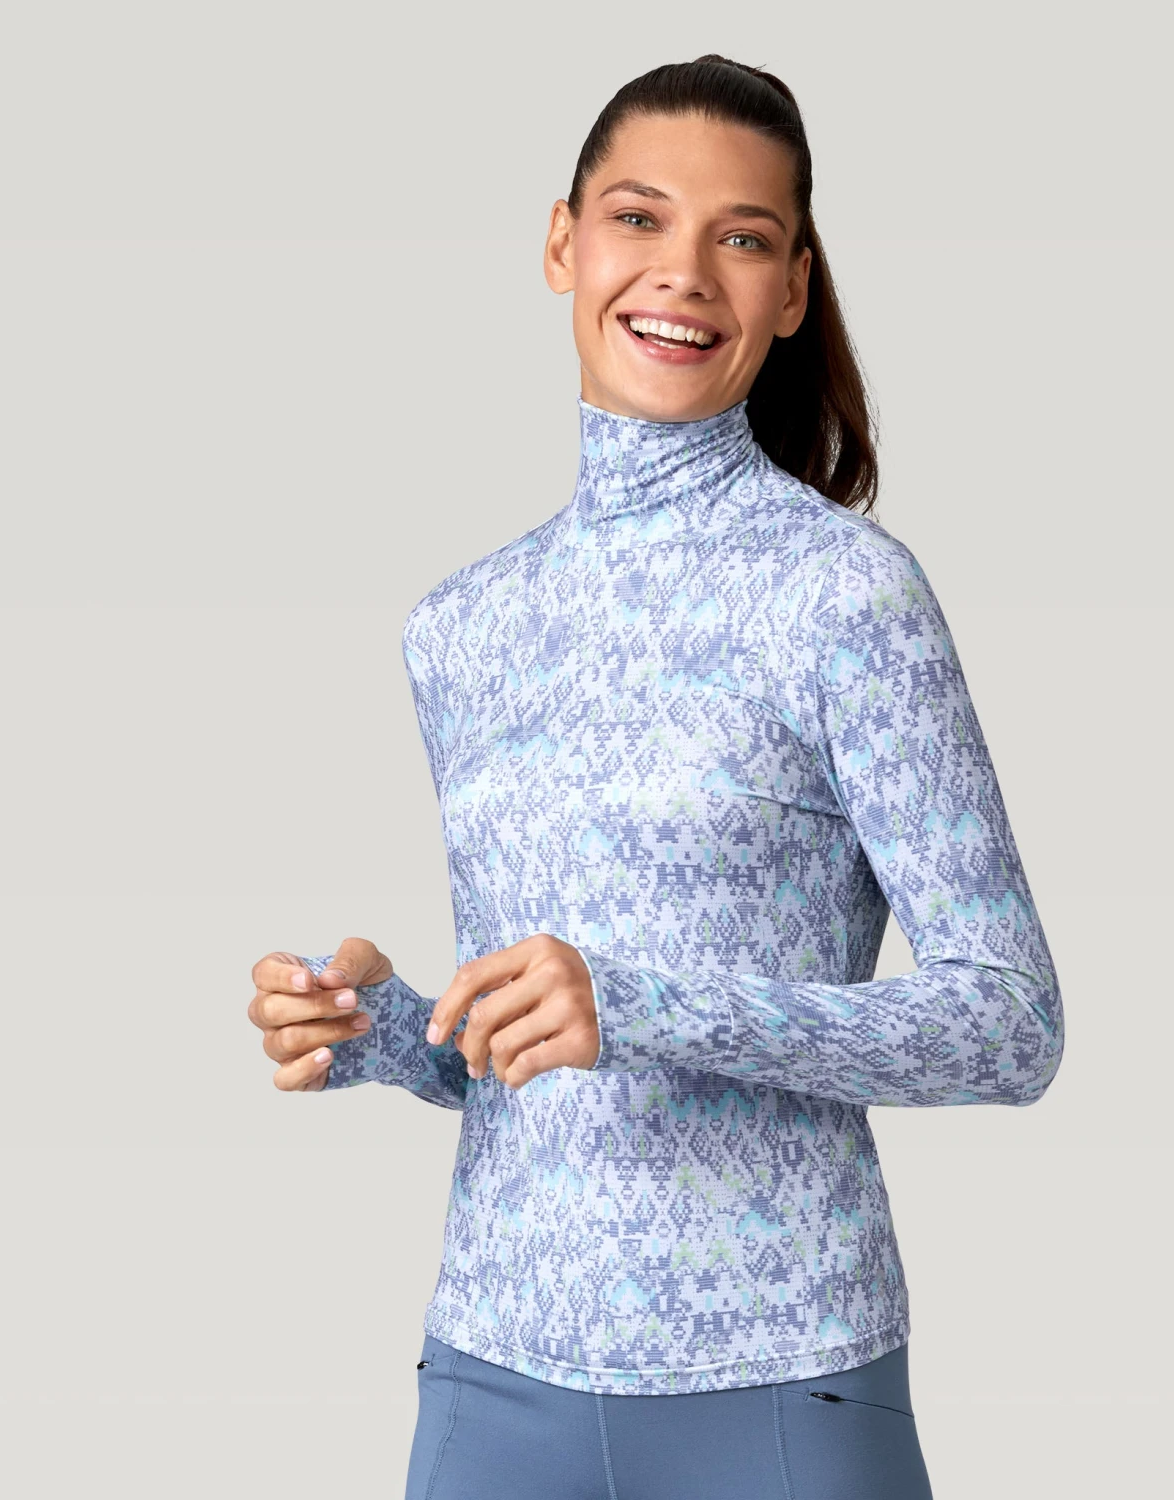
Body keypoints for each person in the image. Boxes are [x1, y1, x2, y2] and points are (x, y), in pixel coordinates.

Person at [247, 53, 1064, 1500]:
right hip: (491, 1372)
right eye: (638, 218)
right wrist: (384, 1032)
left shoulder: (846, 597)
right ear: (562, 242)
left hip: (781, 1383)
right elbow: (529, 1067)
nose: (682, 271)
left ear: (792, 289)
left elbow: (1009, 1024)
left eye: (741, 237)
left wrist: (638, 1004)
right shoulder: (462, 626)